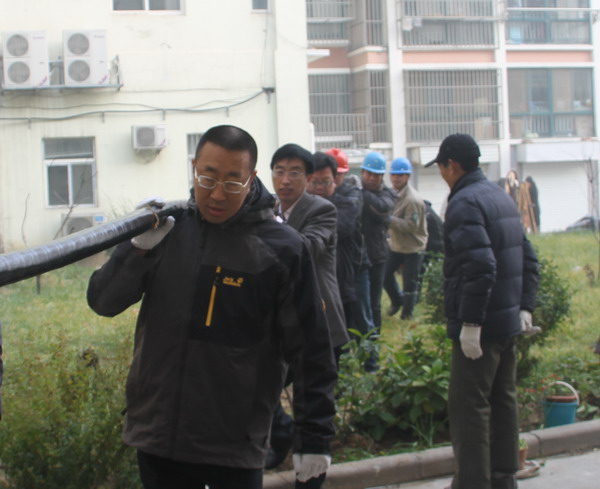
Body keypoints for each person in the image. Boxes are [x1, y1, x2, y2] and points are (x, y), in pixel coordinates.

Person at [87, 125, 337, 489]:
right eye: (208, 177)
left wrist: (314, 438)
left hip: (233, 443)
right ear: (194, 167)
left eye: (233, 182)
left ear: (251, 178)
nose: (217, 194)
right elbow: (103, 301)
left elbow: (312, 350)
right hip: (159, 434)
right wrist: (134, 249)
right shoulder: (168, 232)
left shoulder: (282, 249)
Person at [424, 133, 540, 489]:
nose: (441, 174)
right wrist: (525, 307)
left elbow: (480, 266)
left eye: (441, 167)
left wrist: (471, 323)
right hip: (507, 324)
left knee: (469, 408)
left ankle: (473, 483)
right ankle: (504, 479)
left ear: (452, 165)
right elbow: (528, 257)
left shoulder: (463, 203)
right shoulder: (499, 196)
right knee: (503, 402)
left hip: (482, 327)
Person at [267, 143, 349, 487]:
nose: (285, 180)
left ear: (308, 178)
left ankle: (310, 476)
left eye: (294, 173)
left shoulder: (321, 209)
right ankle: (280, 432)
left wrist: (266, 227)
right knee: (259, 384)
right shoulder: (269, 209)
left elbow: (306, 248)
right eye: (279, 171)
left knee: (312, 407)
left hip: (319, 323)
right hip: (282, 324)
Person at [326, 148, 378, 372]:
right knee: (340, 320)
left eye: (338, 174)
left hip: (356, 268)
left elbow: (343, 227)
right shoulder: (321, 194)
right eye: (331, 174)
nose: (335, 178)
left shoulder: (352, 194)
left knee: (363, 317)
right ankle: (343, 365)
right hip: (334, 270)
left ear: (344, 174)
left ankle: (371, 363)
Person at [308, 152, 361, 338]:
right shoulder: (298, 206)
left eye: (326, 182)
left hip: (340, 282)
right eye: (315, 182)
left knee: (340, 338)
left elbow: (340, 227)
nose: (320, 187)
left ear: (335, 181)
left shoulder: (346, 205)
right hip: (310, 286)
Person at [383, 157, 428, 320]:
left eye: (400, 175)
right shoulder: (391, 193)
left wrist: (389, 220)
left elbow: (411, 226)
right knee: (385, 275)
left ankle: (406, 314)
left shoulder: (412, 200)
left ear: (407, 177)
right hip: (396, 244)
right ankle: (397, 300)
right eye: (394, 175)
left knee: (410, 283)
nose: (396, 178)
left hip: (413, 247)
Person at [360, 152, 395, 335]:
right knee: (359, 301)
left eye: (376, 175)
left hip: (376, 255)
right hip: (356, 256)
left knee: (374, 302)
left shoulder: (387, 195)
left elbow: (381, 210)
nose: (372, 178)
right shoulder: (355, 191)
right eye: (369, 173)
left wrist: (361, 193)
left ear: (382, 176)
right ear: (362, 172)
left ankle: (374, 339)